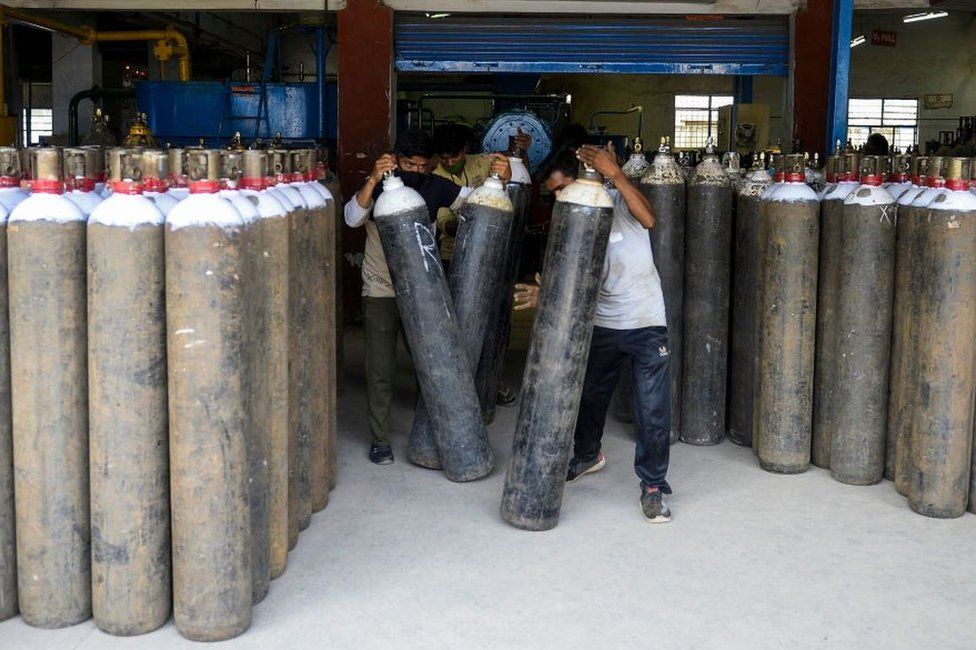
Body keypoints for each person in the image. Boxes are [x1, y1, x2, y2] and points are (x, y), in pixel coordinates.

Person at [513, 143, 672, 523]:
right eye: (552, 193)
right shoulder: (568, 218)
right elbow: (572, 276)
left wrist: (615, 173)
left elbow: (650, 219)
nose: (557, 197)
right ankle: (587, 456)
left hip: (645, 321)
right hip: (602, 323)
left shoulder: (619, 200)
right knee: (590, 396)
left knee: (651, 409)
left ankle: (652, 485)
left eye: (560, 188)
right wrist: (547, 289)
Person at [344, 128, 511, 465]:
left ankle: (433, 430)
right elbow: (351, 218)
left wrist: (501, 182)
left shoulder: (436, 186)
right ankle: (379, 439)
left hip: (424, 293)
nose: (416, 171)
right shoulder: (376, 187)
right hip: (381, 290)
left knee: (433, 363)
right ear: (396, 159)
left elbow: (477, 202)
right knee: (380, 371)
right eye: (409, 164)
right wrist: (375, 178)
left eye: (423, 166)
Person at [431, 122, 531, 408]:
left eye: (455, 157)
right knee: (459, 322)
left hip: (494, 256)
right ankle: (458, 386)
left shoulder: (486, 163)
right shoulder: (435, 177)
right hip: (454, 258)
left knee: (494, 319)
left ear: (466, 150)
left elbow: (517, 181)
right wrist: (472, 222)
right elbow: (444, 225)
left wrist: (519, 156)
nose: (450, 163)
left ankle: (490, 379)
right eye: (445, 158)